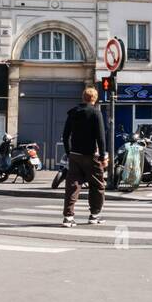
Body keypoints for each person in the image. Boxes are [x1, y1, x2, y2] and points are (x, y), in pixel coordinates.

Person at [61, 85, 108, 228]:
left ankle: (68, 217)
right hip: (91, 155)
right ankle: (94, 215)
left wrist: (69, 152)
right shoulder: (95, 113)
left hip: (75, 155)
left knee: (72, 186)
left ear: (83, 97)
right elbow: (101, 137)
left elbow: (65, 135)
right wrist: (102, 156)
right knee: (97, 185)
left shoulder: (73, 112)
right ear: (95, 98)